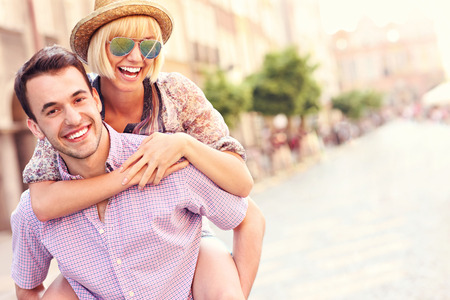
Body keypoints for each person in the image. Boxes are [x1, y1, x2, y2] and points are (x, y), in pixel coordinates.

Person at [23, 0, 258, 298]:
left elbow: (241, 182)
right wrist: (131, 175)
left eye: (150, 47)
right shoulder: (79, 105)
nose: (136, 57)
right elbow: (42, 203)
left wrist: (183, 144)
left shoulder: (176, 93)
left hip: (176, 239)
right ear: (99, 46)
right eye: (121, 45)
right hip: (103, 250)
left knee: (222, 261)